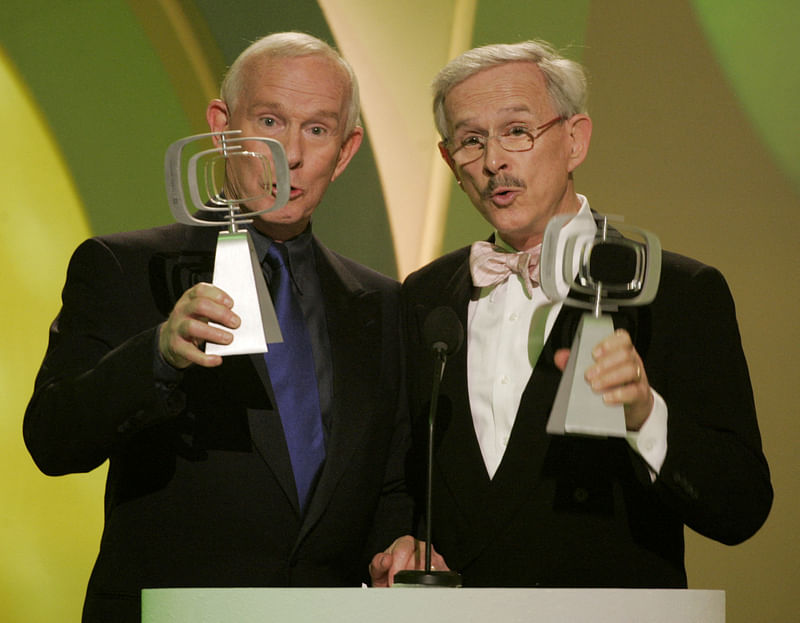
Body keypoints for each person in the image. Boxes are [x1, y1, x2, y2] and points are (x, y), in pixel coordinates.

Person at [24, 32, 412, 622]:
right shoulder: (128, 267)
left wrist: (399, 543)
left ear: (347, 148)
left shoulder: (381, 304)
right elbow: (52, 439)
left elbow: (384, 484)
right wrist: (156, 354)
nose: (292, 154)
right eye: (270, 121)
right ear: (220, 125)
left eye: (316, 129)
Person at [370, 40, 772, 588]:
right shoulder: (425, 296)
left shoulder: (676, 292)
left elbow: (740, 507)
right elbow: (399, 476)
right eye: (470, 141)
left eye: (517, 131)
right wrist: (399, 537)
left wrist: (644, 415)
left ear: (575, 140)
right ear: (448, 160)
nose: (493, 162)